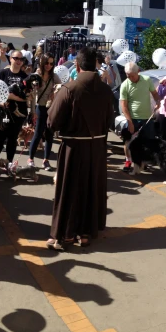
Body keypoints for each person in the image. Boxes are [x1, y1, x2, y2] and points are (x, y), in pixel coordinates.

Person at [47, 48, 113, 250]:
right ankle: (85, 233)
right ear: (96, 65)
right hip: (97, 147)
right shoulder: (106, 90)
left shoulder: (69, 88)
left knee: (71, 189)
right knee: (91, 189)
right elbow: (109, 121)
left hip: (74, 148)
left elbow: (52, 122)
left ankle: (66, 235)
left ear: (77, 65)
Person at [0, 50, 31, 176]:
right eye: (16, 58)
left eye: (21, 59)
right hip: (1, 113)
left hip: (17, 115)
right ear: (10, 59)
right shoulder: (2, 73)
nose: (18, 61)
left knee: (12, 140)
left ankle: (9, 165)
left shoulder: (25, 77)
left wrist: (13, 98)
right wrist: (3, 102)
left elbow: (28, 96)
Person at [119, 61, 161, 172]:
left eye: (131, 76)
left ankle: (143, 162)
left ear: (138, 72)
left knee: (147, 141)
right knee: (129, 142)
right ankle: (128, 161)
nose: (130, 78)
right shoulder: (125, 85)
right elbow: (123, 105)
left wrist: (158, 101)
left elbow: (155, 94)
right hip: (133, 119)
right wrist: (130, 122)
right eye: (127, 76)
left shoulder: (147, 80)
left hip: (148, 118)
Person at [28, 53, 59, 171]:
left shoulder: (54, 76)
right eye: (47, 63)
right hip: (40, 107)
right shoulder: (36, 76)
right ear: (42, 63)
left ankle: (46, 160)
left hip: (50, 108)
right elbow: (31, 95)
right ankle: (30, 159)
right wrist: (32, 112)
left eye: (51, 63)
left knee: (50, 134)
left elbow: (62, 86)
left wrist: (55, 91)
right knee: (38, 133)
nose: (49, 66)